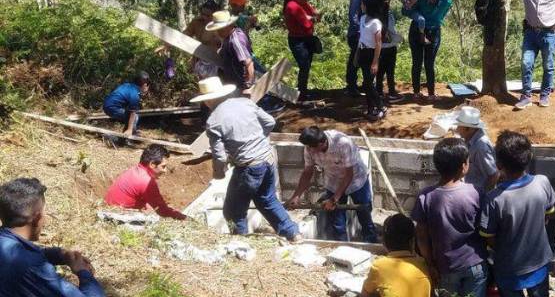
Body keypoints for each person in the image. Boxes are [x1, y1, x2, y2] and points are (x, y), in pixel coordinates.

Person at [478, 131, 555, 297]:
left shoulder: (494, 199)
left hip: (509, 269)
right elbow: (548, 214)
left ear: (499, 164)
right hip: (539, 262)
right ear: (529, 157)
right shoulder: (542, 183)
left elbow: (488, 237)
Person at [190, 77, 301, 242]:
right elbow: (270, 121)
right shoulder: (245, 103)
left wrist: (219, 173)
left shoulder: (214, 122)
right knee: (267, 199)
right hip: (268, 159)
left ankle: (240, 242)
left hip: (249, 167)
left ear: (208, 101)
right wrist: (259, 139)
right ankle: (293, 233)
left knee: (233, 211)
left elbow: (219, 156)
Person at [412, 138, 489, 297]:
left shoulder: (426, 197)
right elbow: (485, 229)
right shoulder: (476, 193)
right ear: (464, 166)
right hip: (475, 265)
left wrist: (430, 263)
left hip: (445, 268)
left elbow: (421, 236)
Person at [286, 126, 378, 243]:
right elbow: (308, 172)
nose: (310, 150)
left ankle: (371, 244)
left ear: (322, 143)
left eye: (313, 148)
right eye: (309, 147)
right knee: (337, 223)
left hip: (357, 181)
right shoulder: (310, 147)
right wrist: (296, 196)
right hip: (333, 183)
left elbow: (349, 175)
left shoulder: (343, 143)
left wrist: (334, 199)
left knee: (365, 216)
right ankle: (342, 247)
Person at [104, 145, 188, 220]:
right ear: (152, 164)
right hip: (117, 217)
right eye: (163, 166)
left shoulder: (135, 170)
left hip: (108, 210)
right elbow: (163, 211)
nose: (165, 170)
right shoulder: (147, 182)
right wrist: (185, 218)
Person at [407, 0, 454, 100]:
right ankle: (431, 94)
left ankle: (416, 92)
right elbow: (443, 14)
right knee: (429, 63)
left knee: (416, 62)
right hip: (433, 31)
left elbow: (408, 9)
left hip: (416, 29)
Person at [158, 0, 222, 78]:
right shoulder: (196, 22)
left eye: (208, 16)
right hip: (200, 61)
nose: (204, 17)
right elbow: (184, 36)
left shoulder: (221, 25)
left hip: (217, 63)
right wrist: (168, 45)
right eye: (203, 14)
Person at [347, 0, 383, 97]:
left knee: (363, 60)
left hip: (365, 31)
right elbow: (353, 14)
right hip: (358, 32)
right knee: (356, 60)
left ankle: (365, 86)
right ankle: (352, 87)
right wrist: (360, 31)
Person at [283, 0, 320, 101]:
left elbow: (315, 15)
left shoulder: (303, 3)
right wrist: (312, 18)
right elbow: (306, 24)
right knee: (304, 65)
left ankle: (303, 91)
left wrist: (312, 17)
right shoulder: (292, 6)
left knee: (306, 66)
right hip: (297, 40)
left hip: (307, 38)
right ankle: (302, 93)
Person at [206, 10, 255, 91]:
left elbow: (249, 63)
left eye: (221, 29)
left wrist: (249, 85)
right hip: (233, 83)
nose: (218, 32)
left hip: (240, 84)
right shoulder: (229, 36)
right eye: (217, 30)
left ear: (230, 25)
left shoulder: (235, 40)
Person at [357, 0, 388, 121]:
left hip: (371, 54)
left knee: (368, 84)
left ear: (367, 5)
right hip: (362, 52)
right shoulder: (362, 18)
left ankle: (381, 106)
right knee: (367, 83)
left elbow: (378, 43)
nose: (361, 6)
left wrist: (375, 62)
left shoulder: (376, 23)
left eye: (362, 4)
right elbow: (361, 37)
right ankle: (371, 109)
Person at [454, 106, 499, 192]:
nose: (457, 129)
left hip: (478, 193)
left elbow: (494, 175)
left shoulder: (480, 147)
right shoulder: (470, 140)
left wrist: (484, 196)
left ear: (468, 129)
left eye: (459, 126)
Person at [228, 0, 265, 74]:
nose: (244, 7)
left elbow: (247, 19)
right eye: (242, 5)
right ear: (233, 5)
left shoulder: (241, 17)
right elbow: (240, 39)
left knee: (260, 71)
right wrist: (248, 26)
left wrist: (253, 22)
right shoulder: (229, 21)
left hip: (247, 50)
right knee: (262, 72)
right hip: (241, 53)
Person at [375, 0, 403, 101]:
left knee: (380, 72)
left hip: (378, 47)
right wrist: (398, 37)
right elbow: (391, 29)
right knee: (390, 71)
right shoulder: (389, 14)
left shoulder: (374, 15)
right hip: (390, 46)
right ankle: (391, 92)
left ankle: (379, 92)